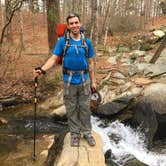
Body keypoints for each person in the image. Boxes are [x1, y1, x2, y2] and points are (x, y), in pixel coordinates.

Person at [33, 13, 96, 147]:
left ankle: (87, 133)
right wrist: (42, 70)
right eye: (71, 23)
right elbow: (54, 58)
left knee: (85, 108)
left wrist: (94, 81)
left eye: (76, 22)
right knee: (71, 108)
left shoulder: (87, 42)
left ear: (80, 24)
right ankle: (74, 134)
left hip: (84, 80)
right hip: (69, 81)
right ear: (68, 26)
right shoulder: (63, 41)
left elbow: (91, 63)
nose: (74, 25)